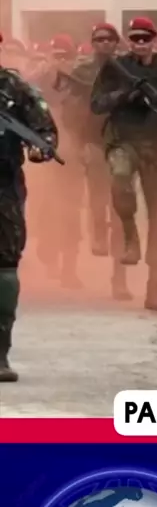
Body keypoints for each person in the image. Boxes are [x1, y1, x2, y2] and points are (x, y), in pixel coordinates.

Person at [91, 16, 157, 311]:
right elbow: (96, 104)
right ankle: (129, 237)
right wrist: (124, 95)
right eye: (135, 38)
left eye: (145, 38)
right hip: (122, 140)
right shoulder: (116, 67)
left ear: (154, 39)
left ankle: (154, 287)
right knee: (120, 180)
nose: (140, 44)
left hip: (155, 146)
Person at [58, 23, 132, 301]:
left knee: (121, 212)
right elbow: (69, 113)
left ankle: (119, 278)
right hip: (90, 145)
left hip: (121, 145)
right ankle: (70, 266)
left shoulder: (128, 71)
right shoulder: (81, 73)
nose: (104, 43)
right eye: (99, 39)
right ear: (92, 43)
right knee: (80, 206)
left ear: (116, 42)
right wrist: (79, 145)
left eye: (109, 39)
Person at [0, 58, 59, 381]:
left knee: (5, 267)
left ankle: (0, 353)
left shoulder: (16, 88)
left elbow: (45, 130)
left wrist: (43, 148)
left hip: (4, 188)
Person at [33, 33, 85, 288]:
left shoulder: (81, 87)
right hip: (44, 158)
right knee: (45, 212)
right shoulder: (37, 83)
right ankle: (49, 256)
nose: (61, 61)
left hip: (73, 159)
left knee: (72, 214)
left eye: (66, 56)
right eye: (57, 56)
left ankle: (69, 269)